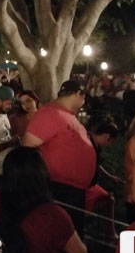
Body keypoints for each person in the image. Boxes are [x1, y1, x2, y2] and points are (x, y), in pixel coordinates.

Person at [22, 81, 96, 237]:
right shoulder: (50, 113)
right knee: (63, 233)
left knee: (71, 232)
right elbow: (27, 147)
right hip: (60, 188)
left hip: (73, 189)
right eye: (84, 98)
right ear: (78, 94)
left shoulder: (67, 115)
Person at [86, 121, 122, 240]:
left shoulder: (95, 145)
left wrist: (109, 176)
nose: (110, 144)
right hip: (84, 186)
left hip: (91, 185)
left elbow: (97, 165)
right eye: (110, 141)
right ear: (107, 136)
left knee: (108, 200)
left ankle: (110, 232)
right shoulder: (88, 144)